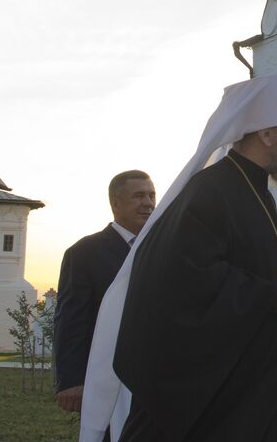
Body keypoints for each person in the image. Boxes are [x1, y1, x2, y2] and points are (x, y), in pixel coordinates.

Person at [78, 74, 277, 442]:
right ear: (265, 133)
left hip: (255, 391)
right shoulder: (209, 191)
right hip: (212, 405)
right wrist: (271, 297)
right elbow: (180, 279)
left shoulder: (258, 193)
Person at [54, 170, 156, 415]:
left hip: (155, 377)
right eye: (139, 196)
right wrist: (71, 380)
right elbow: (71, 319)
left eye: (152, 195)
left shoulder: (162, 246)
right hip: (107, 376)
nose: (148, 203)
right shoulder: (84, 253)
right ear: (115, 202)